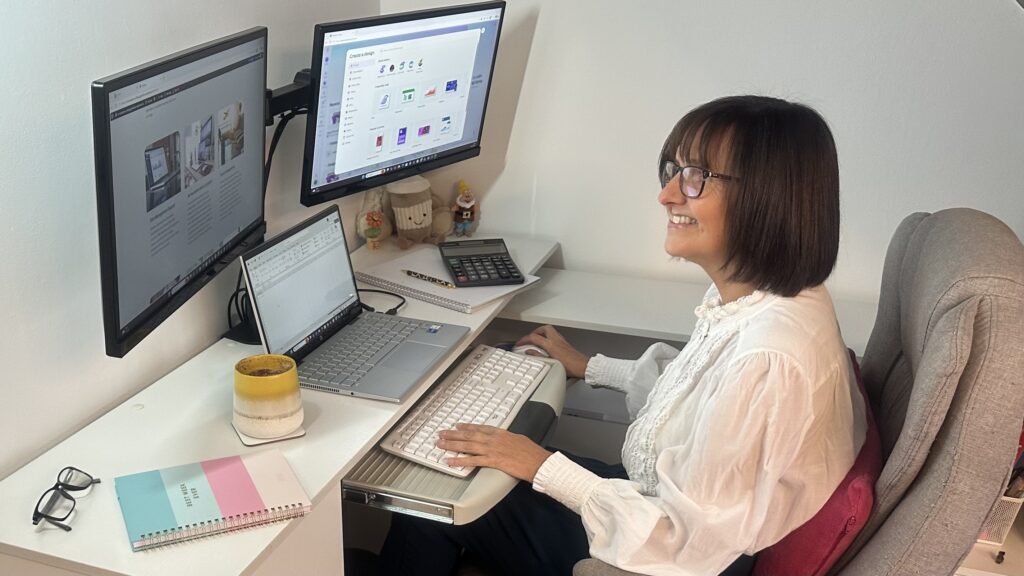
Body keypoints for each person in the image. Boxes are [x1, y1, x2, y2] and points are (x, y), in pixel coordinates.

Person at [378, 95, 866, 576]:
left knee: (431, 494)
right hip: (658, 507)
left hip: (662, 544)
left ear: (768, 197)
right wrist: (591, 366)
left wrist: (539, 465)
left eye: (697, 178)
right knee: (476, 466)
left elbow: (683, 542)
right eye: (672, 171)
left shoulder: (767, 357)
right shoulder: (772, 300)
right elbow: (700, 405)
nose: (667, 194)